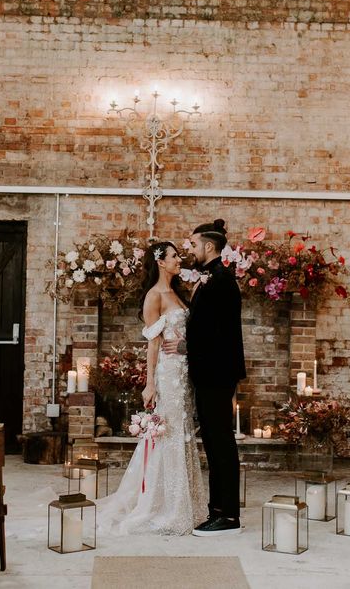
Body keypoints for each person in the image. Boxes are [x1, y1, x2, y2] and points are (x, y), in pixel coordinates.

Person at [97, 241, 207, 535]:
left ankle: (186, 503)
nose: (179, 259)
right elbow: (153, 344)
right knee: (168, 434)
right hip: (168, 375)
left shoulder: (180, 293)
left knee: (183, 433)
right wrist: (149, 385)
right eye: (174, 256)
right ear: (160, 261)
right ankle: (166, 506)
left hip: (184, 375)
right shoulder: (154, 296)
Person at [165, 218, 246, 536]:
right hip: (209, 372)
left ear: (209, 246)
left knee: (221, 443)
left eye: (194, 245)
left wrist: (185, 345)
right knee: (212, 442)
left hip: (217, 373)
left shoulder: (223, 280)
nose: (190, 250)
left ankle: (228, 516)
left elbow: (219, 333)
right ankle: (217, 510)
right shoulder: (211, 278)